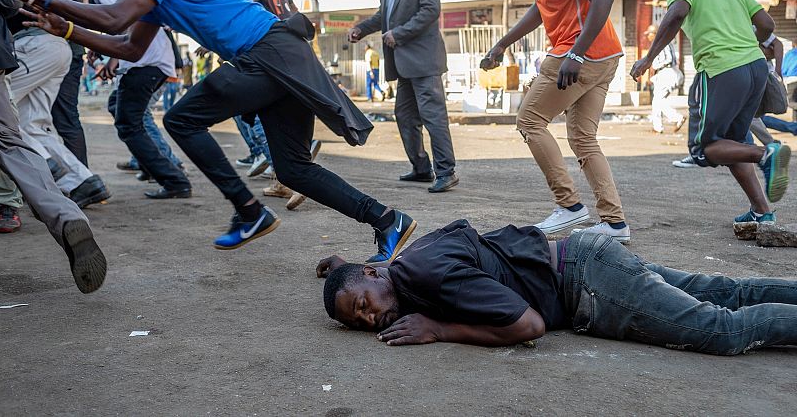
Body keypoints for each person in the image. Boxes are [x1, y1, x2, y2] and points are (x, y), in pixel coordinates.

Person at [0, 0, 417, 262]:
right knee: (293, 168)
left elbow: (112, 17)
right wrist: (66, 29)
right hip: (275, 56)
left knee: (181, 119)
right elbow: (127, 47)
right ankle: (387, 220)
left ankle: (249, 211)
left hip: (266, 53)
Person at [317, 221, 797, 355]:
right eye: (356, 320)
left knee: (719, 329)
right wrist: (338, 265)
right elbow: (360, 276)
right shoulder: (408, 261)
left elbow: (529, 326)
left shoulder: (426, 278)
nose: (368, 317)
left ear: (376, 272)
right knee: (722, 290)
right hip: (584, 256)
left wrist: (441, 330)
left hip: (588, 283)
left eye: (362, 304)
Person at [483, 0, 629, 241]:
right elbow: (541, 8)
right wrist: (502, 43)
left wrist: (575, 55)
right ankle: (614, 223)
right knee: (583, 138)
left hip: (580, 55)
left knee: (530, 120)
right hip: (602, 55)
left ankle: (569, 206)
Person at [632, 0, 790, 225]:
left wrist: (647, 58)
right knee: (734, 141)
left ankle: (767, 153)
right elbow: (767, 25)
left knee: (704, 149)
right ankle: (761, 211)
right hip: (755, 67)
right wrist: (741, 39)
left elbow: (677, 13)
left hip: (721, 68)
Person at [0, 0, 106, 292]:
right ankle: (68, 213)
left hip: (38, 46)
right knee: (15, 137)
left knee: (28, 125)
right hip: (25, 51)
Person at [6, 0, 109, 208]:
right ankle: (83, 182)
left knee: (17, 112)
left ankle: (43, 162)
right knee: (33, 122)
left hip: (49, 46)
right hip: (52, 50)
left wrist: (78, 48)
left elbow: (80, 1)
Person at [349, 0, 458, 193]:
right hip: (401, 63)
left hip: (425, 60)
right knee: (405, 116)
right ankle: (421, 168)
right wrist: (361, 29)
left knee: (433, 117)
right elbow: (384, 15)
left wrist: (399, 33)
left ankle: (447, 172)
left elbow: (430, 11)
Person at [216, 0, 319, 211]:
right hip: (285, 59)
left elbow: (246, 26)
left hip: (266, 61)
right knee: (271, 117)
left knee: (253, 114)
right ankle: (289, 171)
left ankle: (289, 175)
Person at [86, 0, 191, 199]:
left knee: (131, 122)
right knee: (120, 109)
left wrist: (107, 54)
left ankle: (172, 176)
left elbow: (120, 24)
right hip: (149, 63)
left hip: (146, 64)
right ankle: (154, 166)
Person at [10, 0, 90, 166]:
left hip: (64, 45)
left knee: (64, 117)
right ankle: (72, 179)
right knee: (34, 119)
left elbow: (81, 0)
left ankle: (80, 179)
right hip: (30, 46)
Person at [644, 25, 685, 134]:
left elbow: (668, 59)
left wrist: (654, 67)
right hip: (667, 73)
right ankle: (657, 127)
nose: (648, 36)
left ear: (654, 34)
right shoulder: (662, 42)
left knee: (658, 100)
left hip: (667, 73)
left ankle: (677, 118)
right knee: (657, 101)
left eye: (649, 34)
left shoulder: (661, 43)